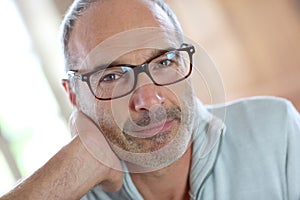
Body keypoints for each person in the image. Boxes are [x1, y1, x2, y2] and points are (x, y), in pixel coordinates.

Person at [1, 0, 300, 199]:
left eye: (164, 61)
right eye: (112, 76)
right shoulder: (67, 188)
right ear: (73, 95)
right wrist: (71, 169)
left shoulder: (275, 130)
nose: (148, 99)